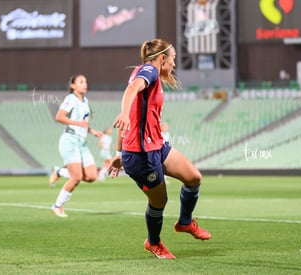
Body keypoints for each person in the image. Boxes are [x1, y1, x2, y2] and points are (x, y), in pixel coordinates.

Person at [108, 38, 211, 259]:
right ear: (162, 58)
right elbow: (131, 94)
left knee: (193, 177)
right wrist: (124, 117)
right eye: (173, 59)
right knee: (159, 202)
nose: (174, 64)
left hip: (157, 145)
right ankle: (153, 242)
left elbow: (132, 109)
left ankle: (185, 223)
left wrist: (118, 153)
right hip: (141, 155)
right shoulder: (149, 71)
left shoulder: (144, 72)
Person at [49, 74, 103, 217]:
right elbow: (59, 117)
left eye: (85, 81)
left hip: (82, 143)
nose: (84, 84)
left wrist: (92, 131)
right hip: (70, 141)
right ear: (73, 86)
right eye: (80, 82)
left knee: (92, 176)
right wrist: (79, 124)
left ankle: (59, 172)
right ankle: (57, 206)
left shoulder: (85, 100)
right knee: (76, 178)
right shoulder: (70, 99)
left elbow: (83, 122)